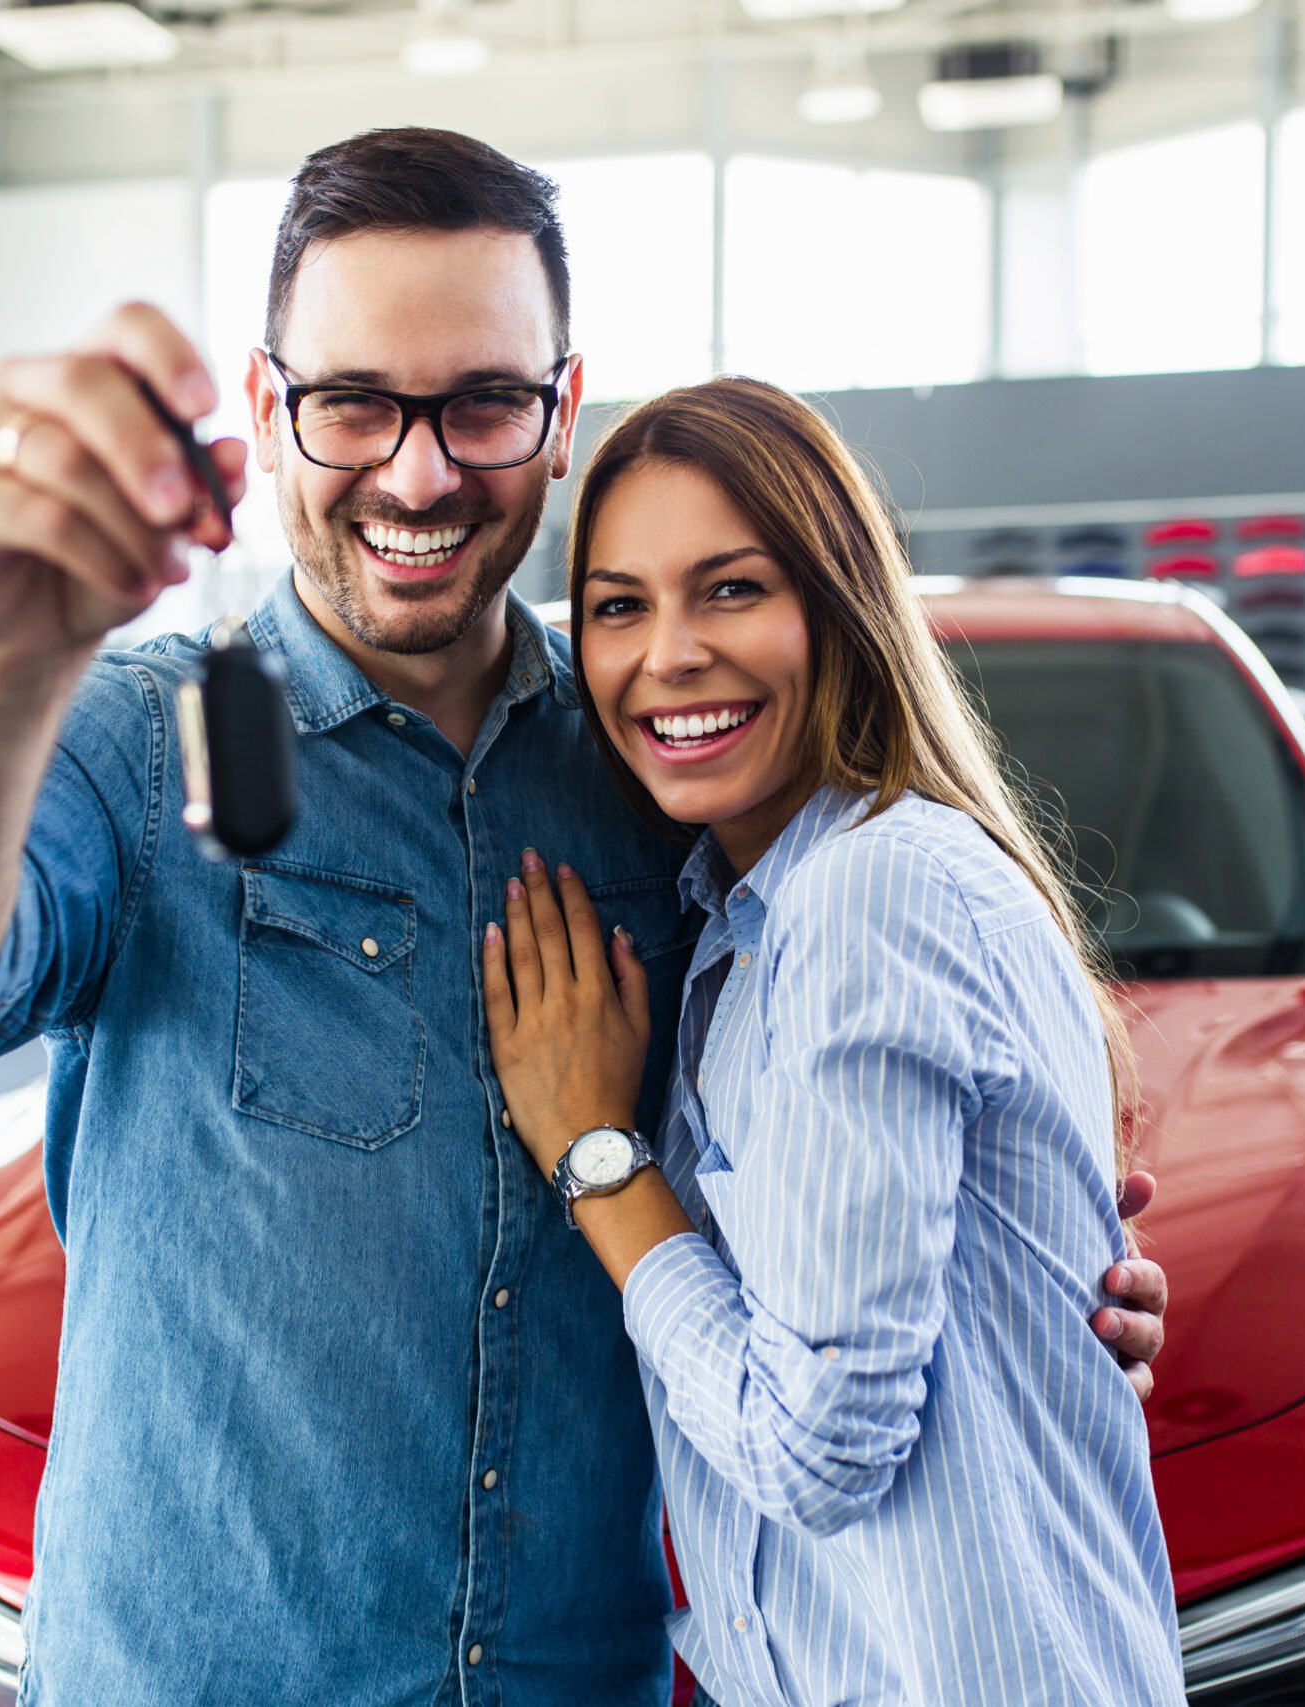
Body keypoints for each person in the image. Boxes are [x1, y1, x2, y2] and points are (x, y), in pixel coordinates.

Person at [0, 128, 1169, 1706]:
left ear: (560, 415)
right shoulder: (143, 745)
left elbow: (830, 1118)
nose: (417, 475)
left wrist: (1015, 1269)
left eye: (482, 403)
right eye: (354, 402)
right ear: (270, 410)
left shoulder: (661, 768)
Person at [479, 376, 1189, 1705]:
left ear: (838, 606)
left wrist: (597, 1157)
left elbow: (816, 1454)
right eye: (621, 605)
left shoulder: (875, 894)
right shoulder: (746, 921)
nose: (670, 653)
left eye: (732, 588)